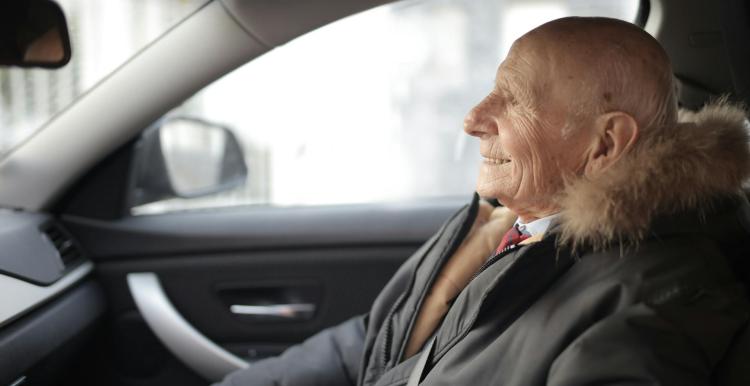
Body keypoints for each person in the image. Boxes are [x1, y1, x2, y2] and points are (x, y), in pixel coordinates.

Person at [214, 16, 750, 386]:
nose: (472, 119)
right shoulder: (504, 223)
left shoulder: (660, 298)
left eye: (513, 100)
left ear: (605, 144)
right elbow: (379, 343)